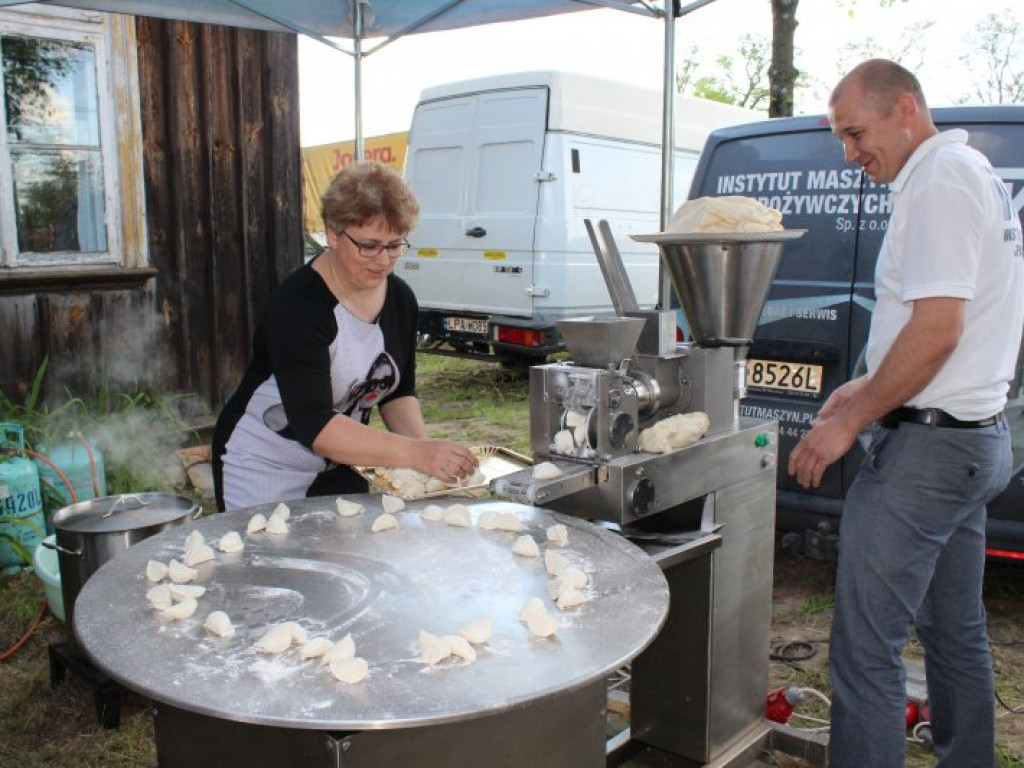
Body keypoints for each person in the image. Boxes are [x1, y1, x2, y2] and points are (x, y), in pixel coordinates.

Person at [788, 59, 1023, 767]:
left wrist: (848, 423)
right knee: (955, 631)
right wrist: (859, 390)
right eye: (840, 139)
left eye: (857, 133)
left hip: (929, 457)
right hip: (972, 440)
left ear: (906, 110)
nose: (851, 153)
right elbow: (941, 328)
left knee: (865, 650)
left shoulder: (942, 182)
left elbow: (938, 330)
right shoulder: (967, 173)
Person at [213, 162, 478, 511]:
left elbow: (398, 391)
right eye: (368, 245)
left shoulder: (399, 299)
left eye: (395, 245)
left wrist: (429, 462)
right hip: (262, 465)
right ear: (333, 234)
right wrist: (414, 454)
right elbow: (315, 424)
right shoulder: (298, 305)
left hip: (348, 457)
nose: (383, 260)